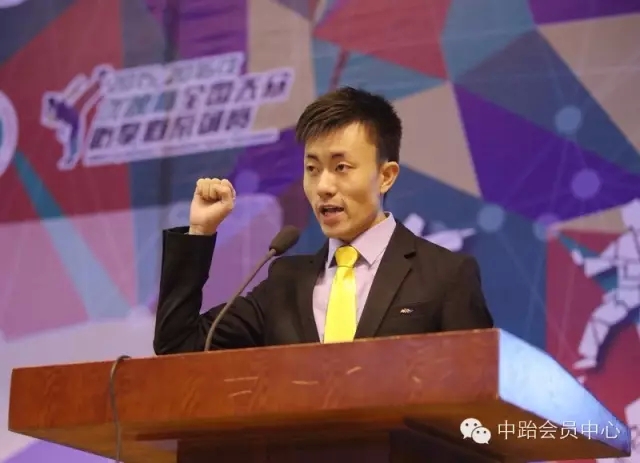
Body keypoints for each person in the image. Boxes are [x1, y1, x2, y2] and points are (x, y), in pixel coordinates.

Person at [153, 87, 494, 354]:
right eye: (312, 169)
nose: (323, 187)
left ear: (386, 176)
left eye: (341, 167)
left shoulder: (445, 275)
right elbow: (178, 344)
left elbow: (476, 388)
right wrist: (200, 232)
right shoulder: (285, 283)